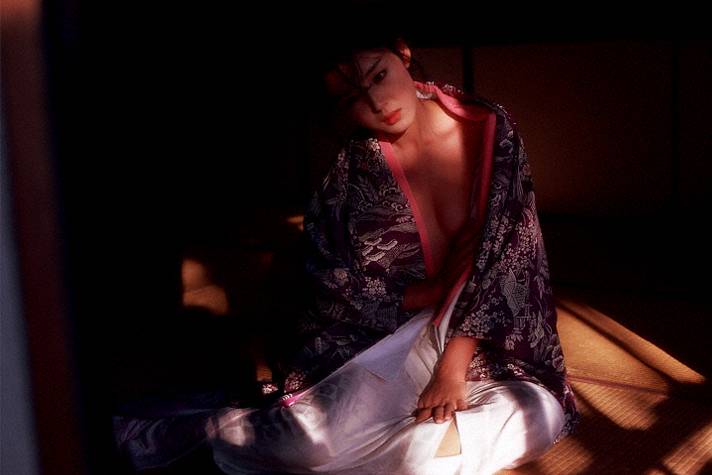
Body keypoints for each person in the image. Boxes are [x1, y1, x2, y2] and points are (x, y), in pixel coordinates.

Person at [114, 25, 580, 475]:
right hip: (392, 339)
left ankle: (393, 454)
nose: (377, 103)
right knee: (308, 443)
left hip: (489, 348)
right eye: (352, 97)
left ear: (402, 53)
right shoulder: (350, 169)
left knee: (538, 417)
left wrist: (452, 369)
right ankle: (197, 435)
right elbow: (327, 276)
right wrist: (425, 292)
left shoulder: (491, 130)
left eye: (379, 75)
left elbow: (512, 256)